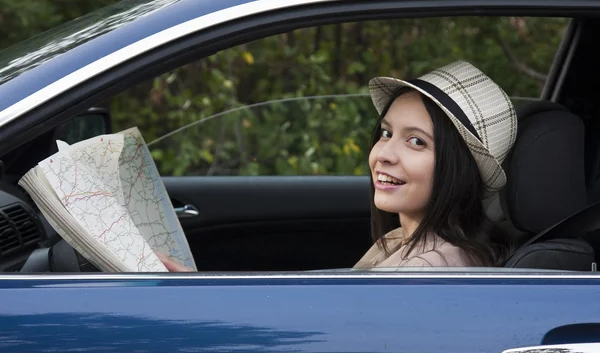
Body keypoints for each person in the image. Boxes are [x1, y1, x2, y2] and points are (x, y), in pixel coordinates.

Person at [158, 61, 517, 271]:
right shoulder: (405, 242)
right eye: (386, 133)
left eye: (416, 141)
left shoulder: (426, 270)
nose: (384, 154)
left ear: (460, 169)